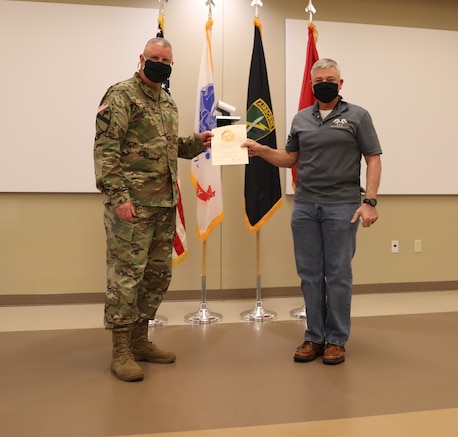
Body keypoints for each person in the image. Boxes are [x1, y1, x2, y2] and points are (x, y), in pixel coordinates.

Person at [242, 57, 381, 365]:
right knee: (309, 274)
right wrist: (263, 150)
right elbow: (291, 158)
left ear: (341, 83)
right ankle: (314, 336)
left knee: (338, 275)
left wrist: (369, 201)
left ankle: (336, 340)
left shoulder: (358, 116)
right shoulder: (301, 118)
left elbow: (373, 158)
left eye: (330, 79)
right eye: (318, 82)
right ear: (312, 85)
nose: (324, 84)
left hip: (343, 206)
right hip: (305, 205)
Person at [94, 37, 213, 382]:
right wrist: (119, 198)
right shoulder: (120, 96)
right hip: (132, 205)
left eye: (167, 60)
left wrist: (196, 143)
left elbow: (166, 147)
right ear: (141, 59)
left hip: (163, 205)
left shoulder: (168, 103)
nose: (160, 63)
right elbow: (107, 149)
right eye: (154, 58)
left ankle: (141, 341)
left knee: (157, 277)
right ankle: (121, 351)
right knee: (126, 279)